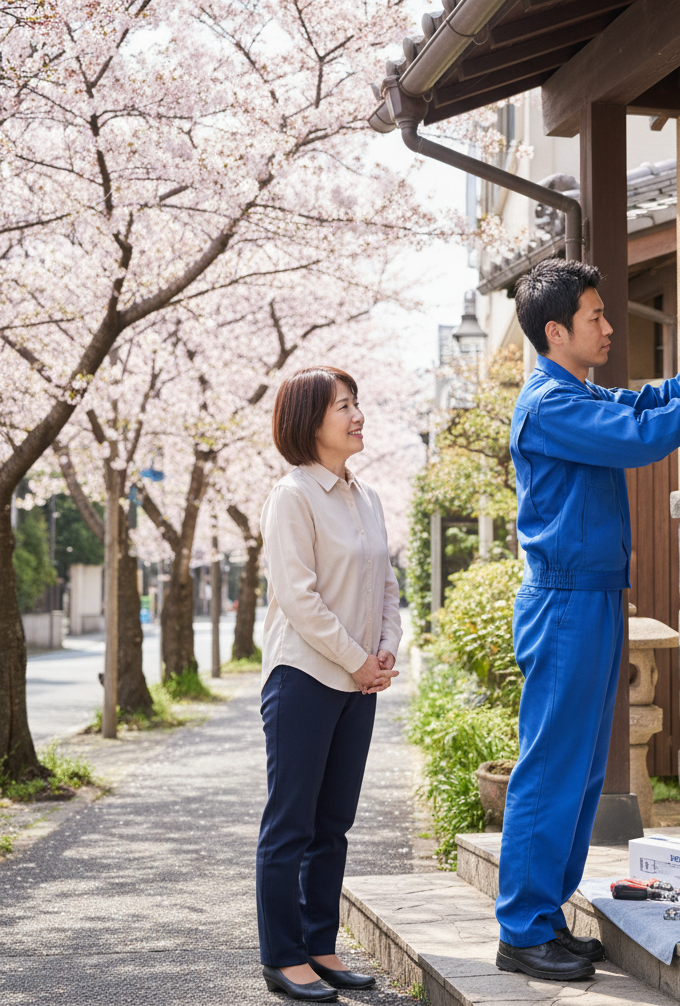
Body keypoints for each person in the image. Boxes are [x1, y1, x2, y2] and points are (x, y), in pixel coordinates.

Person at [495, 260, 680, 981]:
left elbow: (650, 402)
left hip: (589, 599)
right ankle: (521, 930)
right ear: (556, 331)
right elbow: (639, 437)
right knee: (552, 769)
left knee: (582, 773)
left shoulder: (577, 393)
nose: (609, 326)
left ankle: (545, 920)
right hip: (564, 603)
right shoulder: (549, 405)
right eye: (594, 316)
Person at [256, 366, 402, 1002]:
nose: (357, 415)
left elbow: (386, 584)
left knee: (334, 823)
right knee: (291, 823)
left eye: (356, 403)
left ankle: (320, 945)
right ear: (309, 422)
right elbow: (299, 598)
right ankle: (282, 957)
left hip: (357, 681)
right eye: (343, 406)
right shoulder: (292, 496)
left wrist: (386, 649)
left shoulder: (365, 497)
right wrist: (356, 659)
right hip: (304, 676)